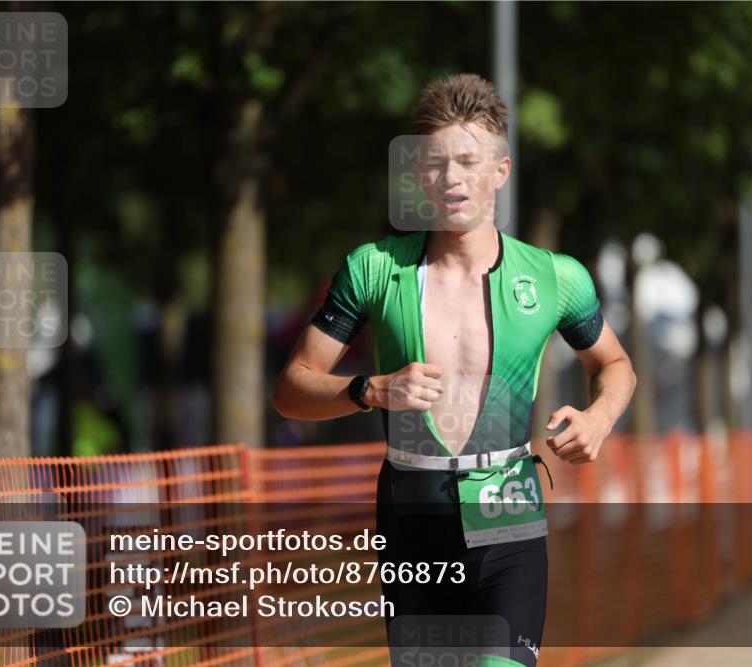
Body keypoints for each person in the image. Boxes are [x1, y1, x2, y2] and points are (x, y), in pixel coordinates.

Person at [272, 73, 636, 667]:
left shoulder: (554, 277)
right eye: (437, 164)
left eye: (468, 161)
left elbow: (616, 364)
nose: (452, 179)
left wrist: (599, 418)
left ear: (501, 170)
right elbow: (292, 389)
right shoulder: (373, 270)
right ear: (419, 174)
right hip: (412, 513)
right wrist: (370, 389)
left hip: (509, 509)